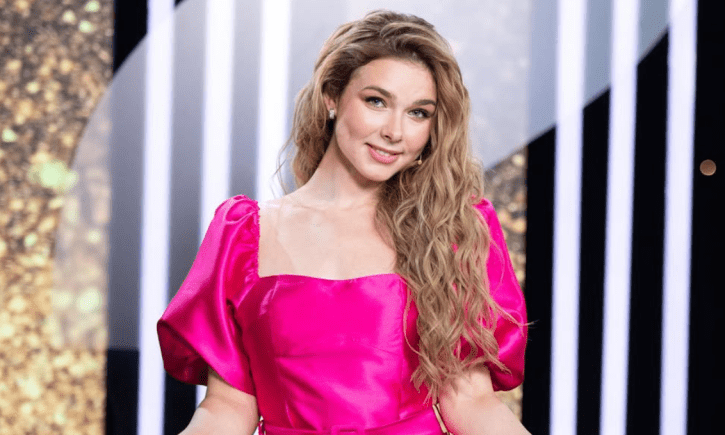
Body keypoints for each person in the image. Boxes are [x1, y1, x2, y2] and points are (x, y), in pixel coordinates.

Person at [158, 10, 529, 435]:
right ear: (332, 97)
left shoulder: (450, 233)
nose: (394, 131)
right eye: (377, 101)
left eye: (418, 113)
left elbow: (473, 403)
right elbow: (227, 409)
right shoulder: (243, 236)